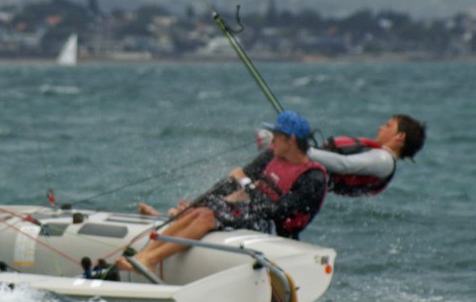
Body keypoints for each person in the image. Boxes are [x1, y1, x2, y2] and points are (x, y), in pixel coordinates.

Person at [119, 110, 328, 276]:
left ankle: (152, 260)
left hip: (272, 227)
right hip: (251, 211)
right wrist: (203, 201)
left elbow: (277, 211)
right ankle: (144, 256)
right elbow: (232, 182)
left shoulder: (313, 179)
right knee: (201, 210)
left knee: (207, 216)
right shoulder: (271, 157)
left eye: (276, 137)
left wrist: (245, 185)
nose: (271, 142)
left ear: (290, 140)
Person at [255, 114, 426, 196]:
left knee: (270, 160)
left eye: (388, 126)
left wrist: (298, 148)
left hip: (308, 180)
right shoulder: (380, 155)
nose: (381, 127)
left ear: (400, 137)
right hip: (306, 175)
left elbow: (344, 165)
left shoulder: (384, 160)